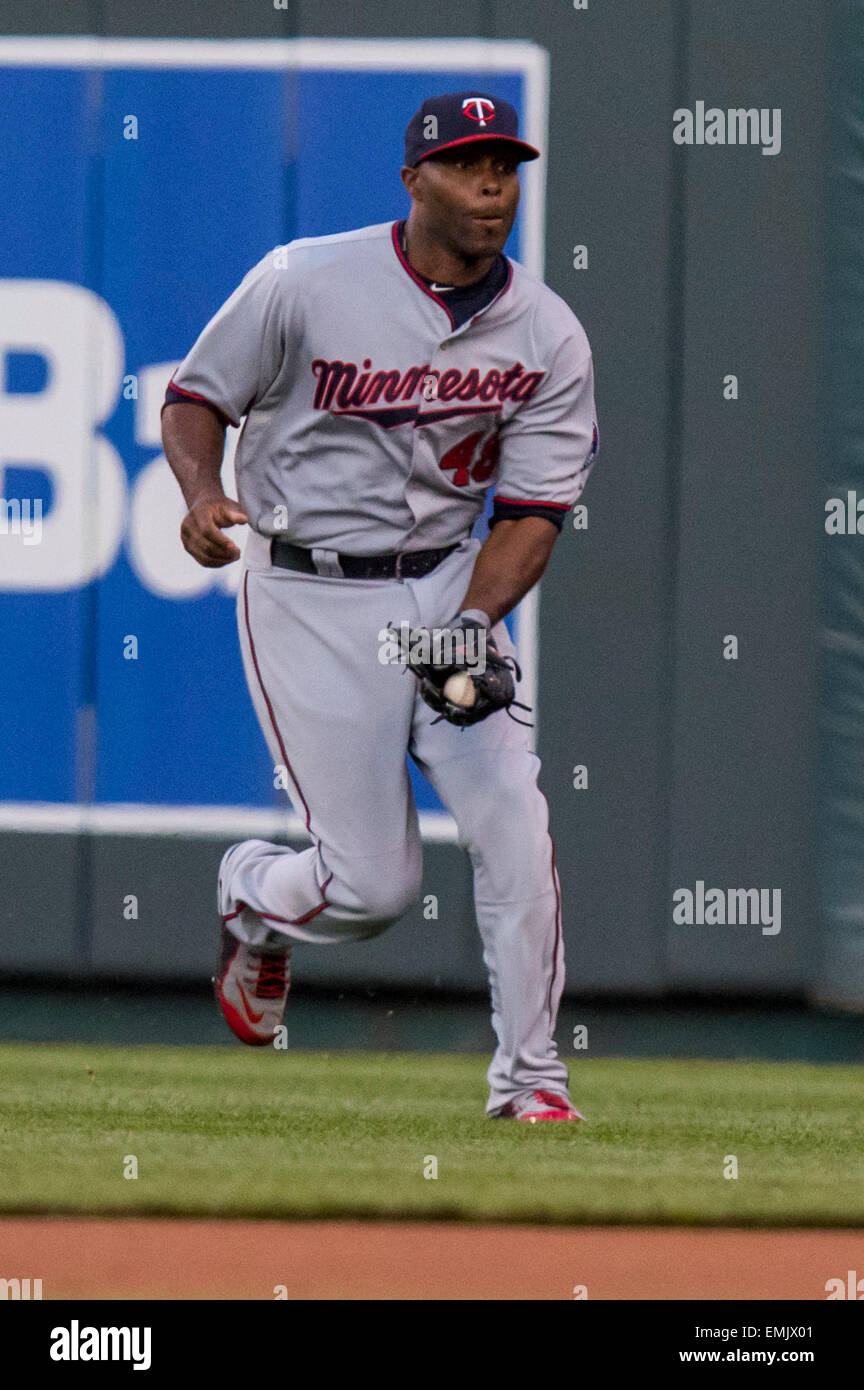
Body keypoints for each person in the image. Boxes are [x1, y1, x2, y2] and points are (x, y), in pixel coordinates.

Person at [161, 92, 599, 1122]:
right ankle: (255, 899)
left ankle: (532, 1082)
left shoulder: (546, 332)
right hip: (310, 591)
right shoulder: (306, 280)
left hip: (446, 582)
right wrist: (198, 492)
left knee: (514, 827)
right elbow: (197, 395)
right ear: (413, 181)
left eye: (506, 165)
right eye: (468, 164)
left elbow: (532, 514)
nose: (493, 184)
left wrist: (473, 621)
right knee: (372, 891)